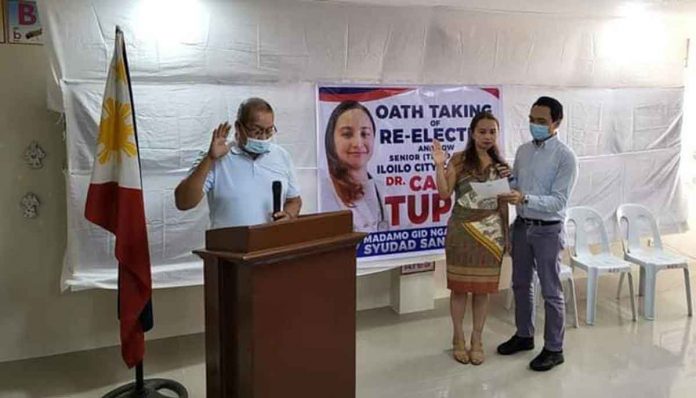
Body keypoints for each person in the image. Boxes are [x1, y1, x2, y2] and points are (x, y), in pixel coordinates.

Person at [497, 96, 578, 372]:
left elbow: (558, 201)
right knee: (520, 284)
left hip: (548, 230)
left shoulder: (566, 157)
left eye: (541, 121)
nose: (535, 125)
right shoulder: (523, 151)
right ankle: (524, 335)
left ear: (557, 122)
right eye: (532, 120)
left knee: (551, 290)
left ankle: (555, 348)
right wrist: (507, 180)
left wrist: (525, 198)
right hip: (522, 227)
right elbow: (517, 183)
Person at [432, 111, 510, 365]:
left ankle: (477, 340)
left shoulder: (502, 166)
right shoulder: (459, 160)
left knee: (482, 291)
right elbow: (444, 193)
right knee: (459, 290)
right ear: (472, 133)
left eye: (492, 132)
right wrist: (438, 164)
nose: (487, 136)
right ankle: (458, 338)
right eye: (482, 131)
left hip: (491, 235)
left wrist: (506, 237)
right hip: (462, 232)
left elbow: (504, 204)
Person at [174, 97, 302, 228]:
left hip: (270, 245)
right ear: (238, 127)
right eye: (257, 131)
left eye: (269, 131)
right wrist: (209, 159)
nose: (263, 138)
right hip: (228, 246)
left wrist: (289, 216)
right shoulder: (217, 157)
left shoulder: (282, 156)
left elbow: (294, 200)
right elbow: (183, 202)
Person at [321, 100, 387, 233]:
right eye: (347, 134)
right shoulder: (322, 192)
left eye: (365, 134)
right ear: (331, 140)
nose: (358, 143)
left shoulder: (386, 190)